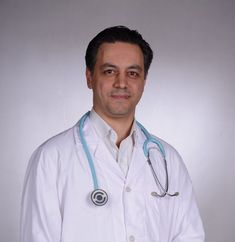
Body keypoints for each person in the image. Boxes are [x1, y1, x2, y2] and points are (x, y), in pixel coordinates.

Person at [20, 26, 205, 242]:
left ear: (144, 82)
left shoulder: (167, 160)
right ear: (89, 77)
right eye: (109, 71)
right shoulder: (51, 159)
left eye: (133, 73)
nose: (121, 83)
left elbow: (189, 236)